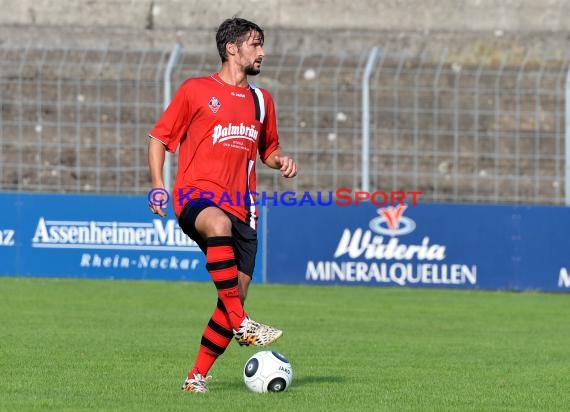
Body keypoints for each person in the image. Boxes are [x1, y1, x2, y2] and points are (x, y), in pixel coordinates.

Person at [147, 17, 297, 393]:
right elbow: (158, 139)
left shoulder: (262, 100)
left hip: (243, 207)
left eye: (262, 45)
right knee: (216, 224)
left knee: (235, 294)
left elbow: (269, 150)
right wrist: (157, 186)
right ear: (232, 48)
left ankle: (195, 377)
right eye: (255, 44)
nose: (262, 52)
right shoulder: (196, 90)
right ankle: (243, 323)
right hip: (196, 197)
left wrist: (282, 161)